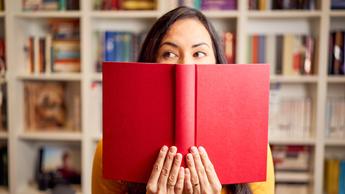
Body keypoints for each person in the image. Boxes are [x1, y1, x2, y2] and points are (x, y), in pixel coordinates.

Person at [92, 6, 275, 194]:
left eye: (199, 53)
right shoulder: (109, 151)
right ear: (150, 63)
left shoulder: (254, 152)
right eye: (169, 54)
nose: (185, 65)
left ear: (218, 64)